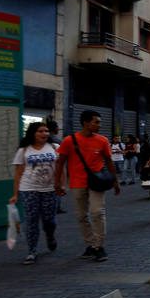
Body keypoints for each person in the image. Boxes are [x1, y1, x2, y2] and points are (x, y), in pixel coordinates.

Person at [54, 110, 120, 262]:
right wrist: (57, 183)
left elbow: (109, 162)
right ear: (85, 123)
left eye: (99, 122)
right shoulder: (69, 141)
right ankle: (90, 244)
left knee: (97, 212)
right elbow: (60, 162)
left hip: (97, 182)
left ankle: (99, 246)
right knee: (82, 216)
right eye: (96, 122)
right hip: (77, 183)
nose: (99, 125)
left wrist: (115, 181)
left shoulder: (102, 140)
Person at [9, 122, 59, 264]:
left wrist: (61, 185)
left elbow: (61, 168)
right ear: (33, 133)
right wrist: (15, 194)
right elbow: (18, 173)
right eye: (41, 131)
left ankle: (50, 235)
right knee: (31, 220)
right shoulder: (24, 150)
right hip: (29, 188)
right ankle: (32, 251)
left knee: (49, 219)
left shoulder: (55, 148)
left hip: (49, 189)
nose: (45, 134)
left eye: (46, 131)